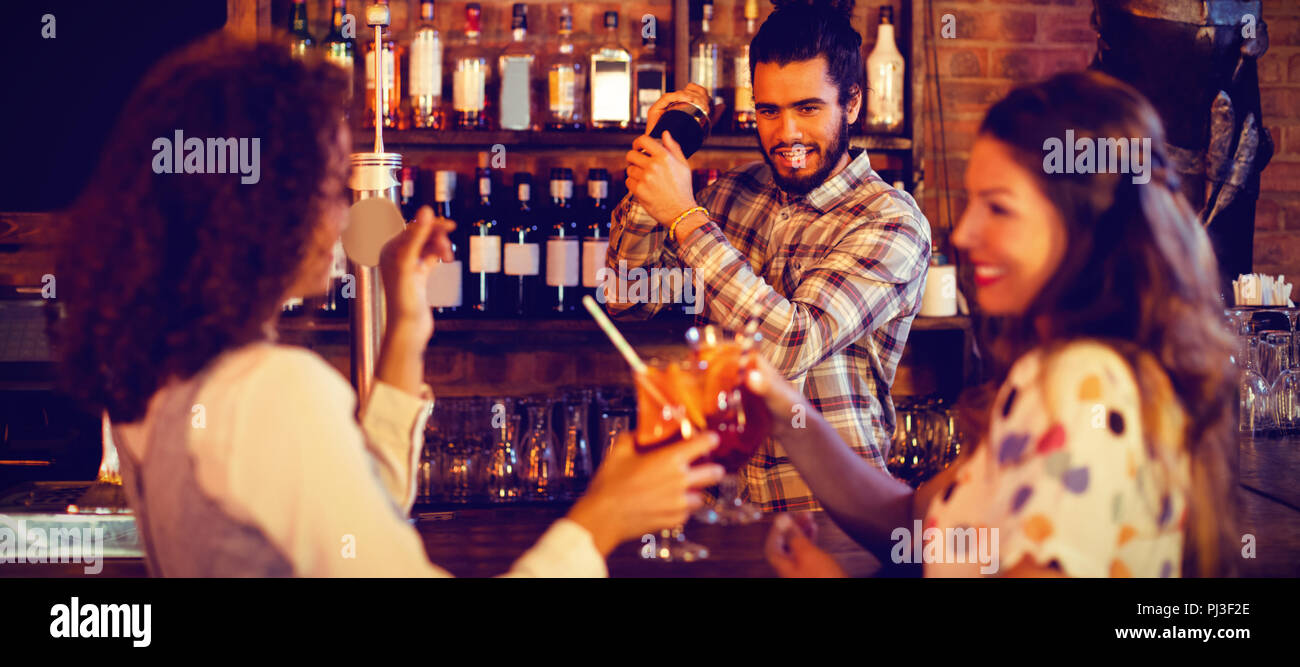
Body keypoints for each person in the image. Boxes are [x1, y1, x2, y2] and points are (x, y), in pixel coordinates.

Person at [54, 34, 725, 577]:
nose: (348, 211)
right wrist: (602, 517)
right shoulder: (270, 391)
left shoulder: (158, 374)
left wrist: (406, 323)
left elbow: (355, 504)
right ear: (258, 207)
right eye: (328, 186)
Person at [749, 71, 1238, 577]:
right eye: (971, 201)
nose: (964, 232)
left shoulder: (1087, 385)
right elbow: (911, 525)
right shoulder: (1060, 372)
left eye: (998, 207)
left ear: (1085, 226)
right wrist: (787, 412)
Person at [606, 0, 931, 512]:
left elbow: (788, 348)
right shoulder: (730, 196)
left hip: (835, 522)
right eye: (768, 111)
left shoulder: (890, 221)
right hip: (724, 515)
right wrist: (662, 151)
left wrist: (686, 218)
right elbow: (628, 300)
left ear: (852, 104)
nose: (787, 134)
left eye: (808, 108)